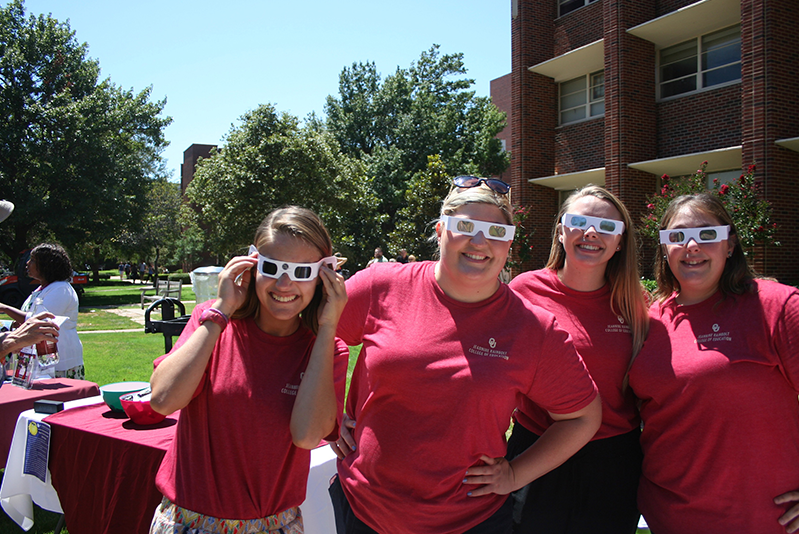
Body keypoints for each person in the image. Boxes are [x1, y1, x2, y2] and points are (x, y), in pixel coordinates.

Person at [329, 176, 602, 534]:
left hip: (471, 521)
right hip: (365, 511)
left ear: (509, 243)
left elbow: (582, 417)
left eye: (496, 232)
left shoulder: (533, 328)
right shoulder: (381, 285)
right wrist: (328, 416)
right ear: (441, 230)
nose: (480, 242)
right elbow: (314, 335)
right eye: (465, 227)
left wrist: (515, 474)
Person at [148, 206, 349, 534]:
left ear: (323, 277)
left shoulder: (328, 350)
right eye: (272, 267)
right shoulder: (213, 321)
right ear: (252, 265)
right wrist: (222, 308)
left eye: (302, 272)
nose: (284, 284)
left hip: (274, 525)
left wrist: (327, 328)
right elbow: (162, 400)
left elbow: (307, 435)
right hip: (187, 520)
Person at [628, 193, 799, 534]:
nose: (691, 246)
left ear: (729, 244)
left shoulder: (776, 307)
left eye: (707, 234)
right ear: (664, 248)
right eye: (677, 236)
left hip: (763, 519)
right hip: (669, 518)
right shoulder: (649, 321)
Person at [507, 185, 648, 533]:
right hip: (537, 449)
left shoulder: (635, 303)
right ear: (561, 230)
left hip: (613, 461)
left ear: (620, 242)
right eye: (579, 222)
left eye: (607, 227)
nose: (591, 233)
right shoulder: (524, 292)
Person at [0, 243, 84, 379]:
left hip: (60, 362)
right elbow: (28, 320)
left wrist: (5, 308)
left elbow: (40, 323)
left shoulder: (61, 289)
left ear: (47, 265)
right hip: (40, 361)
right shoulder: (40, 290)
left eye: (33, 260)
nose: (27, 263)